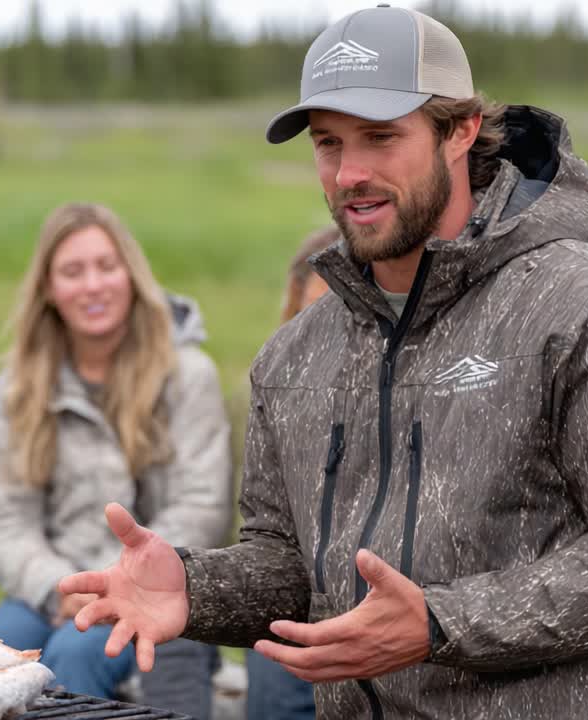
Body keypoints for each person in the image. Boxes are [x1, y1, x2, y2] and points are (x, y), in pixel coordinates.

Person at [61, 6, 588, 719]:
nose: (351, 173)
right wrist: (196, 589)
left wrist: (440, 624)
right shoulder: (294, 355)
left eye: (380, 137)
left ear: (461, 129)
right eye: (328, 143)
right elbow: (291, 567)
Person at [0, 202, 231, 717]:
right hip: (53, 589)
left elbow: (202, 505)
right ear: (49, 289)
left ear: (131, 276)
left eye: (106, 267)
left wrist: (120, 583)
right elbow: (4, 519)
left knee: (77, 654)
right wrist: (59, 588)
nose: (92, 285)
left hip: (156, 587)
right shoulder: (19, 387)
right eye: (73, 272)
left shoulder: (187, 375)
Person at [245, 224, 340, 720]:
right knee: (272, 672)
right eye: (313, 316)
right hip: (298, 597)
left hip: (396, 606)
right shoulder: (279, 395)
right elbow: (265, 536)